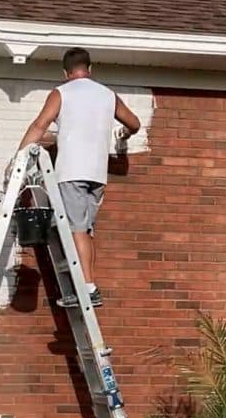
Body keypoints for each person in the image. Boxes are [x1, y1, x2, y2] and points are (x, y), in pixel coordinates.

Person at [18, 47, 140, 307]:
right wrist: (124, 136)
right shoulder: (108, 95)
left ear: (65, 72)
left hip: (72, 172)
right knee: (84, 231)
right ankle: (87, 285)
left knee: (76, 231)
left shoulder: (61, 93)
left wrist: (17, 159)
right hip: (97, 175)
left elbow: (40, 125)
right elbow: (135, 123)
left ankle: (88, 289)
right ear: (90, 69)